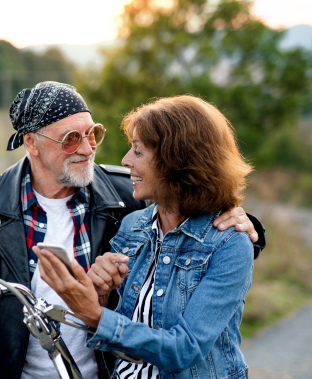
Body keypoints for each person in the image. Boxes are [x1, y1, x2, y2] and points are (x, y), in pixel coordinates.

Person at [0, 83, 264, 379]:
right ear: (31, 143)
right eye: (70, 139)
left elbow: (193, 214)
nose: (90, 148)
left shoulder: (124, 195)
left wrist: (250, 226)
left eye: (92, 133)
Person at [36, 95, 257, 379]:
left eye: (138, 151)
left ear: (178, 161)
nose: (126, 160)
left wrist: (95, 314)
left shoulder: (229, 243)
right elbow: (131, 323)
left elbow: (184, 349)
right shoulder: (132, 226)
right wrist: (102, 296)